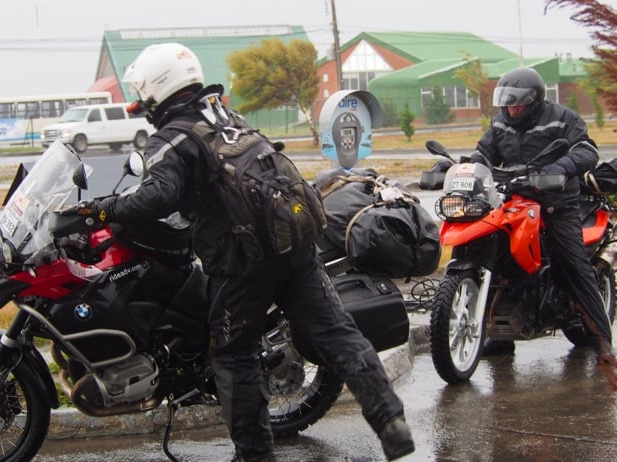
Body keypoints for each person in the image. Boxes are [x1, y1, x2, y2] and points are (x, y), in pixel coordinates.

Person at [75, 42, 415, 462]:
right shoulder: (226, 117)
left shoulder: (173, 137)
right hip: (293, 245)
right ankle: (390, 421)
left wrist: (103, 210)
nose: (141, 102)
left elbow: (158, 197)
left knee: (233, 354)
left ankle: (255, 456)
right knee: (338, 334)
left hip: (243, 261)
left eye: (143, 93)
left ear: (158, 89)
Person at [469, 67, 614, 362]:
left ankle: (603, 341)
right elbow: (483, 153)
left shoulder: (562, 119)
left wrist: (558, 169)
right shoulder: (501, 124)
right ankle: (499, 338)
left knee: (574, 265)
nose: (511, 109)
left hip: (556, 204)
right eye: (507, 103)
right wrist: (471, 168)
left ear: (535, 100)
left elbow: (587, 150)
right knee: (494, 254)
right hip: (515, 200)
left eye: (517, 103)